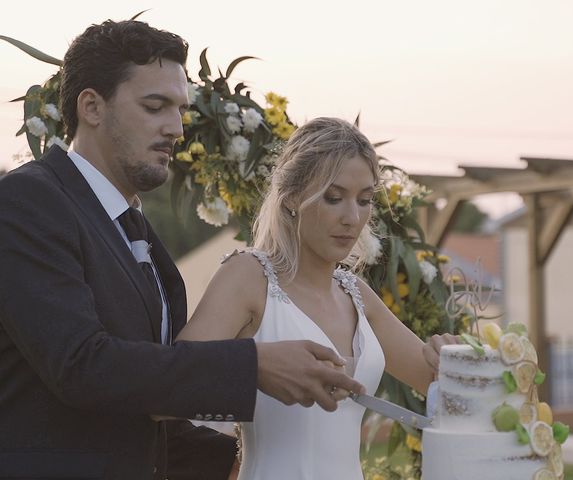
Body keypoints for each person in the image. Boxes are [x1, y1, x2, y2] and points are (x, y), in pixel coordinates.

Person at [0, 20, 363, 480]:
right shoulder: (28, 202)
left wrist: (258, 460)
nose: (176, 127)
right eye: (155, 107)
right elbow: (81, 366)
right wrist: (253, 367)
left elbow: (140, 405)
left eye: (180, 110)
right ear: (91, 106)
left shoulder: (138, 234)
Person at [176, 117, 457, 479]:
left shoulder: (357, 295)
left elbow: (437, 384)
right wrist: (254, 367)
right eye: (333, 198)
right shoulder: (247, 277)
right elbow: (175, 379)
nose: (352, 218)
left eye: (365, 200)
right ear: (292, 196)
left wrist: (452, 359)